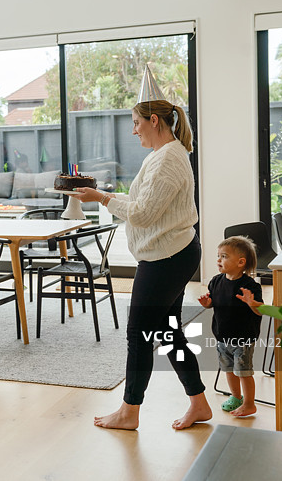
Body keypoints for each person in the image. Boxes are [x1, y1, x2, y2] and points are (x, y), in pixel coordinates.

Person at [72, 66, 210, 430]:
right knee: (167, 331)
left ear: (153, 120)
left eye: (136, 123)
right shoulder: (166, 153)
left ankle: (129, 412)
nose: (133, 131)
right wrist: (104, 195)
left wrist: (101, 197)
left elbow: (144, 214)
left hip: (165, 260)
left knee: (139, 334)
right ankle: (199, 403)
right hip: (174, 253)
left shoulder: (167, 159)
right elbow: (142, 201)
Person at [197, 236, 263, 417]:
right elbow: (214, 303)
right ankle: (236, 397)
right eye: (218, 256)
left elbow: (260, 312)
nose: (219, 260)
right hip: (222, 336)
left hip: (243, 338)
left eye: (224, 256)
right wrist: (207, 303)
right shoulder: (216, 281)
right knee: (228, 369)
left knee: (244, 371)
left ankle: (250, 404)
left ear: (241, 262)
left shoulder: (250, 286)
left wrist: (252, 303)